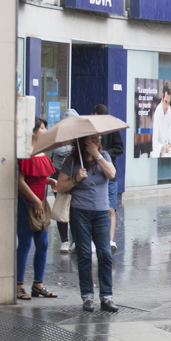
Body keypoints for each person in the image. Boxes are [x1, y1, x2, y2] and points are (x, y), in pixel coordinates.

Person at [57, 134, 118, 312]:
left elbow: (112, 174)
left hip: (101, 212)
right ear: (83, 141)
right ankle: (87, 296)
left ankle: (106, 297)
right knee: (84, 254)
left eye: (98, 138)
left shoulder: (104, 156)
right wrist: (76, 179)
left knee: (105, 253)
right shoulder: (72, 160)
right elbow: (60, 187)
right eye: (92, 139)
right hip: (80, 211)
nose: (97, 141)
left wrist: (96, 155)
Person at [16, 118, 58, 300]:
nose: (45, 130)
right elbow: (20, 182)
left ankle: (38, 285)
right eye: (42, 128)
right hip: (26, 203)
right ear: (33, 132)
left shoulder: (42, 153)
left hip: (40, 203)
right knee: (25, 243)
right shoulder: (25, 153)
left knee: (43, 243)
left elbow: (38, 177)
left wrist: (49, 180)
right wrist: (35, 201)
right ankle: (18, 286)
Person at [92, 104, 124, 255]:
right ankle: (96, 240)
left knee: (111, 208)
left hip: (110, 172)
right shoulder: (90, 132)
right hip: (95, 173)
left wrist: (104, 154)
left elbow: (120, 148)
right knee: (95, 209)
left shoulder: (112, 130)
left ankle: (110, 241)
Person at [51, 109, 79, 253]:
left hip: (74, 173)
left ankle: (75, 240)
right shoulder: (58, 133)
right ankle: (64, 240)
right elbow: (58, 150)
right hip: (58, 172)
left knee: (75, 207)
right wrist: (72, 147)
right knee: (61, 205)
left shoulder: (80, 133)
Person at [152, 82, 171, 157]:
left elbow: (169, 129)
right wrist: (162, 147)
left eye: (169, 102)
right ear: (162, 97)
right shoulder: (157, 113)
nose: (167, 106)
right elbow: (154, 143)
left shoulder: (169, 109)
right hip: (160, 155)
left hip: (168, 153)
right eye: (166, 102)